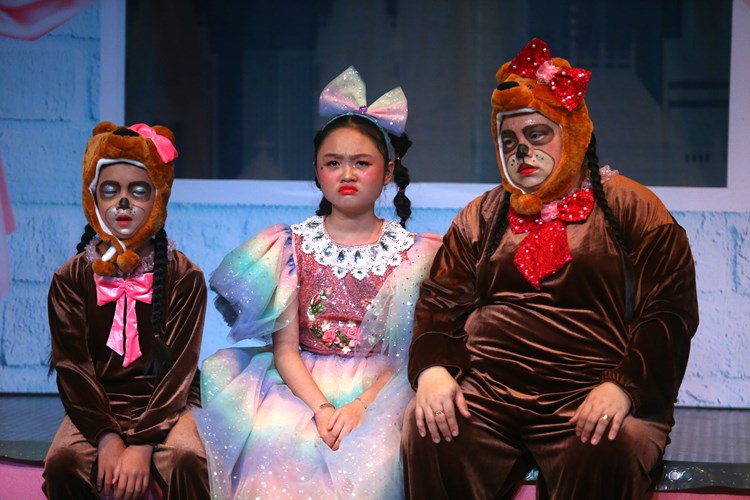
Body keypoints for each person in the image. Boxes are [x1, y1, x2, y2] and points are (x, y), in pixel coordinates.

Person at [401, 38, 699, 499]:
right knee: (432, 430)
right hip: (489, 393)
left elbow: (669, 312)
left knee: (608, 444)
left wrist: (624, 388)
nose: (522, 151)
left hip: (589, 390)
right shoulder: (482, 215)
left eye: (537, 135)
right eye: (509, 141)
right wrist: (434, 370)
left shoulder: (632, 207)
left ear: (572, 133)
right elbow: (440, 302)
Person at [194, 66, 441, 499]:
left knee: (376, 457)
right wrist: (322, 408)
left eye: (361, 163)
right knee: (276, 446)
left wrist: (360, 406)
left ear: (387, 172)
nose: (347, 174)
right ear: (317, 171)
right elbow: (286, 350)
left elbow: (405, 353)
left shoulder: (414, 254)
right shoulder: (290, 246)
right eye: (333, 163)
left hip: (384, 388)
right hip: (301, 386)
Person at [43, 122, 210, 500]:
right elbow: (73, 369)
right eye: (110, 190)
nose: (123, 202)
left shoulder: (185, 276)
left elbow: (179, 373)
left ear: (158, 198)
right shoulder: (70, 278)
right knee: (63, 462)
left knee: (186, 458)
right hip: (97, 405)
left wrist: (143, 443)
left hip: (168, 405)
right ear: (93, 197)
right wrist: (106, 438)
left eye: (137, 191)